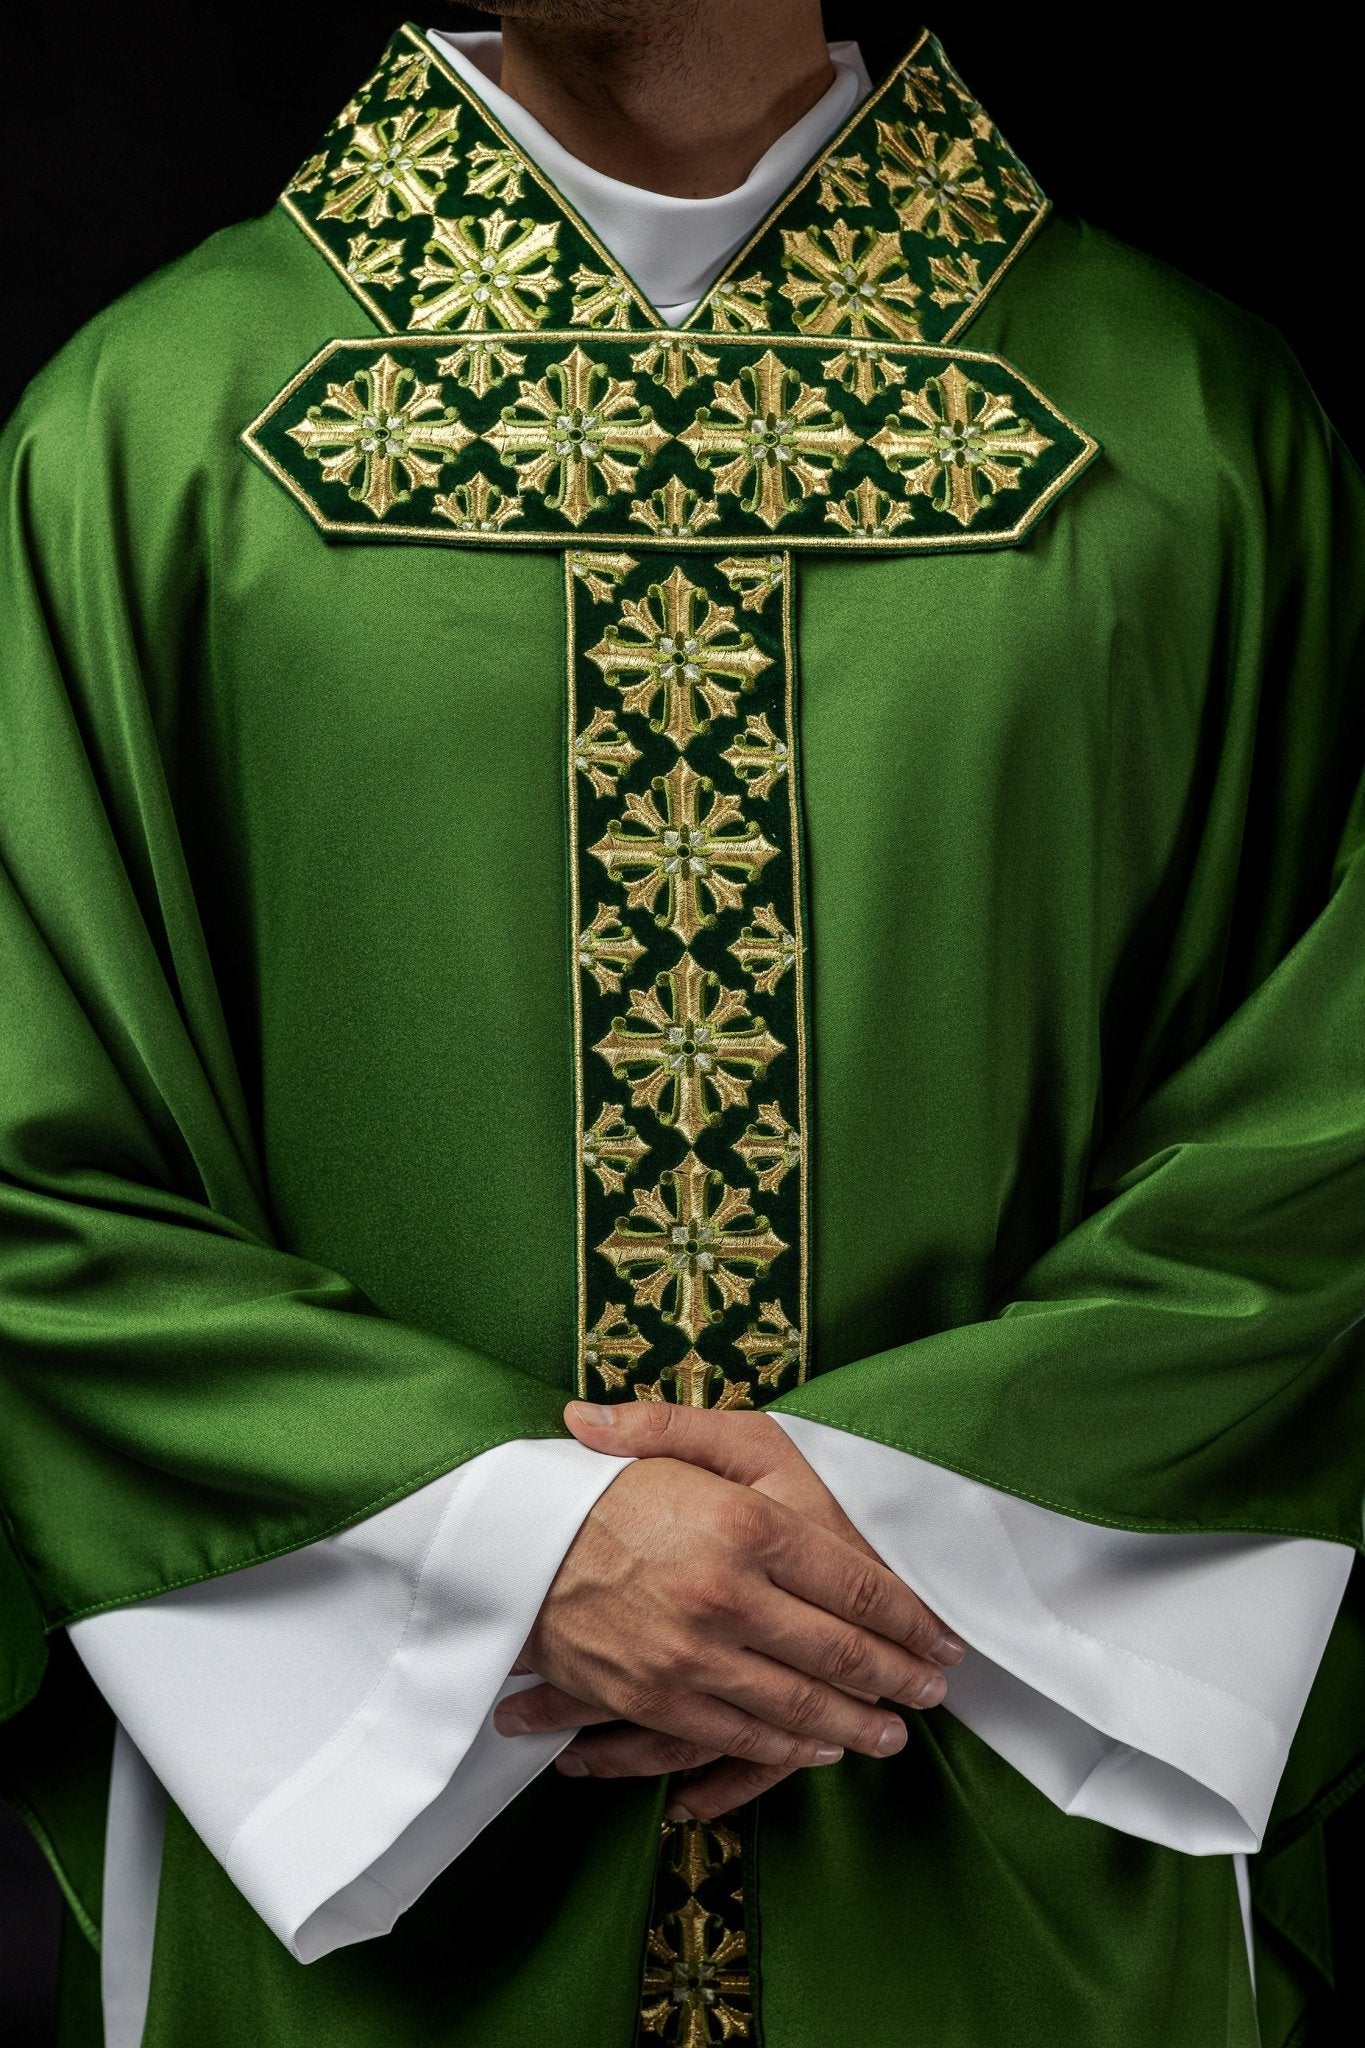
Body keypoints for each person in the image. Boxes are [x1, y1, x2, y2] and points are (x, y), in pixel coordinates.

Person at [1, 5, 1361, 2044]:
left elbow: (1320, 1138)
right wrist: (510, 1551)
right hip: (380, 1892)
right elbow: (32, 1160)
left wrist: (909, 1521)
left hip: (1004, 1814)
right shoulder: (148, 438)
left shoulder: (1189, 438)